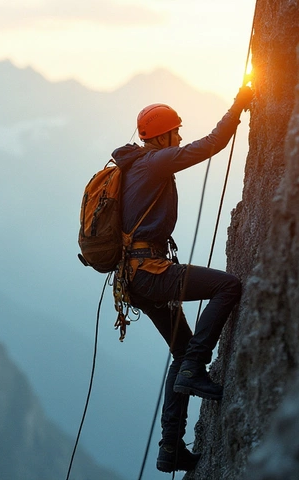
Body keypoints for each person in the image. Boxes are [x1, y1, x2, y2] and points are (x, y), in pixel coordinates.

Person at [111, 85, 254, 473]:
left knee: (179, 350)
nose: (179, 138)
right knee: (228, 286)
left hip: (135, 279)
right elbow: (209, 145)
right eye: (174, 132)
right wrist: (237, 105)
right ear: (160, 136)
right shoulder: (153, 162)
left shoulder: (133, 167)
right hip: (151, 273)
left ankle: (170, 447)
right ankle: (196, 366)